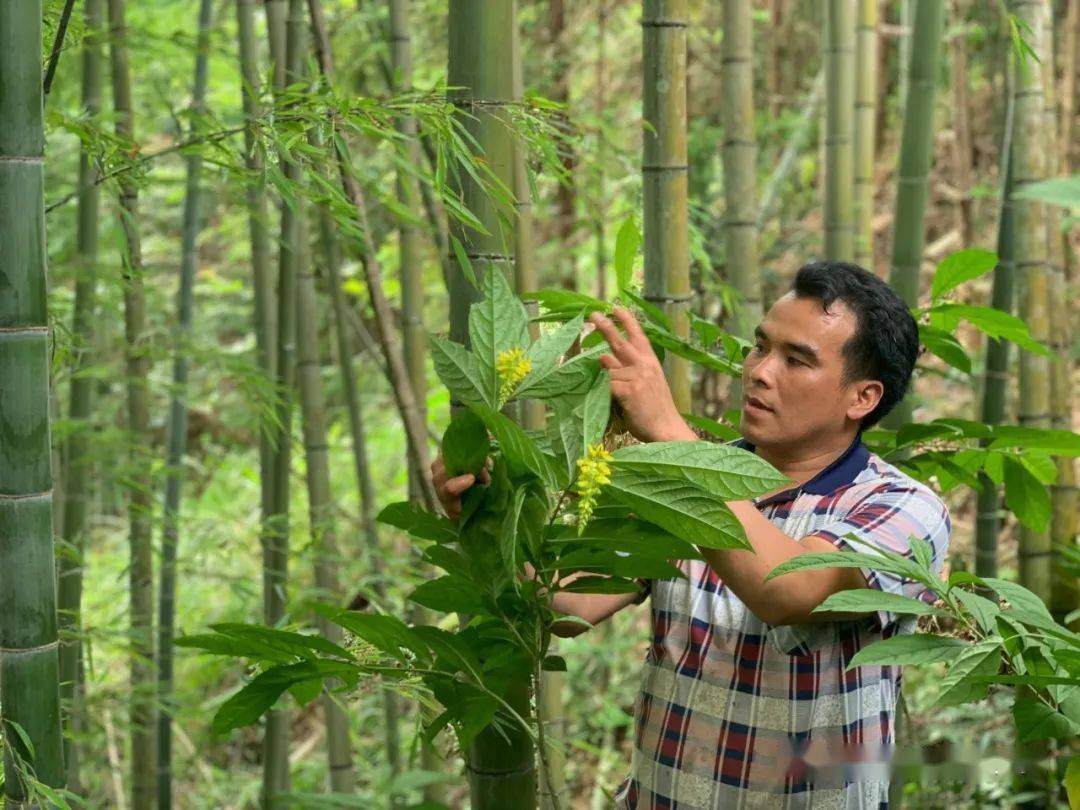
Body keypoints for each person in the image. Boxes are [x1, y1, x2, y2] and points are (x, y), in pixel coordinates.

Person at [432, 261, 951, 808]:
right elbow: (566, 604)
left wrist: (669, 436)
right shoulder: (675, 480)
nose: (760, 371)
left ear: (862, 398)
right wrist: (484, 520)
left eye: (796, 360)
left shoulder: (905, 510)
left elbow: (788, 588)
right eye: (761, 346)